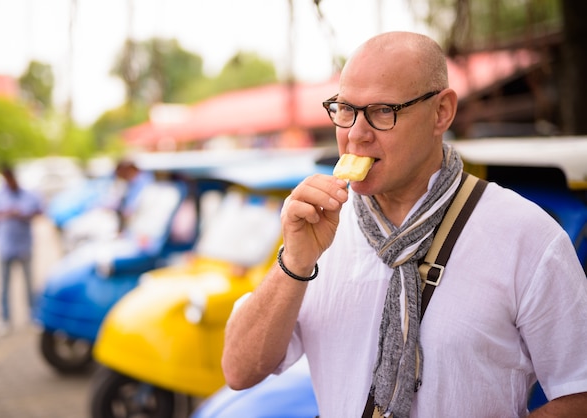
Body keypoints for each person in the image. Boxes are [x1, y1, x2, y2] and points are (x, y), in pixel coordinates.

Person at [221, 31, 587, 417]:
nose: (355, 134)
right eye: (345, 109)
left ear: (441, 112)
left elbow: (580, 391)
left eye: (382, 111)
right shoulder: (321, 229)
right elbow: (239, 370)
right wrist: (294, 262)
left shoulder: (525, 234)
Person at [0, 165, 43, 335]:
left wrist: (22, 214)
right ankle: (5, 318)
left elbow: (39, 211)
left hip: (24, 245)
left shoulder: (29, 194)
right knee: (4, 285)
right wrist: (6, 213)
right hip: (5, 246)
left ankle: (33, 316)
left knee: (28, 284)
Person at [113, 159, 155, 231]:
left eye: (120, 172)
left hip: (145, 225)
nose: (119, 176)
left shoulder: (145, 182)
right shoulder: (131, 183)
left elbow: (133, 207)